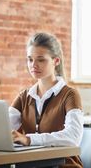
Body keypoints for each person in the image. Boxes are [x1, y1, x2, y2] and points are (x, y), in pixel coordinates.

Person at [9, 32, 83, 168]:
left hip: (64, 165)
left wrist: (29, 139)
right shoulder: (24, 96)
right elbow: (4, 128)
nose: (33, 65)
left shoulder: (70, 95)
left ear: (56, 61)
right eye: (30, 59)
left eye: (41, 59)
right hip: (32, 164)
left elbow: (73, 137)